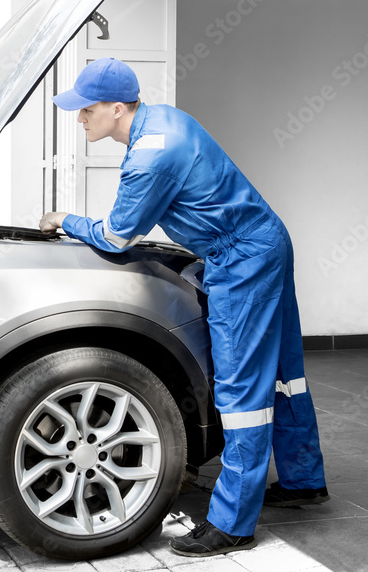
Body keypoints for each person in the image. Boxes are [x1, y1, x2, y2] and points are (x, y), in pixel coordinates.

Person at [38, 58, 328, 557]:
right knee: (284, 371)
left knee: (241, 394)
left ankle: (233, 523)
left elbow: (116, 235)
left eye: (85, 111)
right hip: (266, 241)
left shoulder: (150, 154)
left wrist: (64, 218)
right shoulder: (166, 118)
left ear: (114, 107)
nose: (80, 119)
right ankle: (304, 479)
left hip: (242, 261)